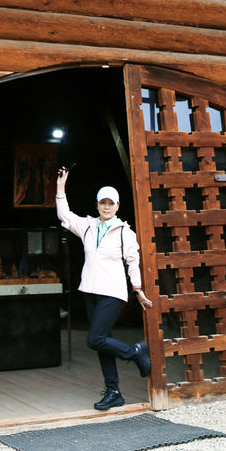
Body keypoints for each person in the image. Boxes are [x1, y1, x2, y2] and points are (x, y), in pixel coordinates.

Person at [56, 166, 153, 411]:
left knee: (95, 339)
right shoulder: (87, 226)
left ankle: (135, 351)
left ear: (117, 206)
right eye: (103, 203)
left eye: (111, 203)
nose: (106, 207)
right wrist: (60, 188)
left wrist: (138, 290)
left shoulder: (125, 232)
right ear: (97, 205)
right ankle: (114, 392)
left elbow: (133, 261)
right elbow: (65, 216)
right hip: (90, 290)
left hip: (113, 292)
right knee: (102, 341)